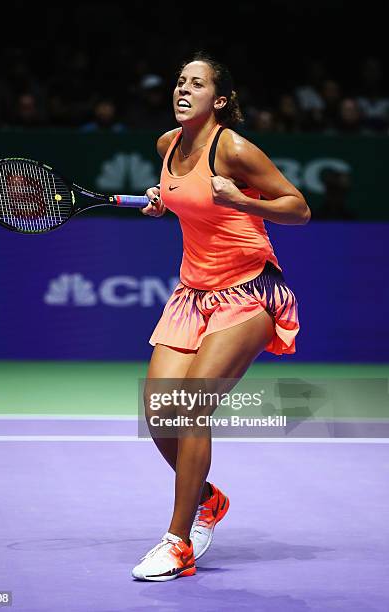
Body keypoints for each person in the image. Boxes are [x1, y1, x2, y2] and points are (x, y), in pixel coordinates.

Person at [132, 52, 310, 582]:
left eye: (198, 84)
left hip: (249, 290)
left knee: (191, 405)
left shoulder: (231, 147)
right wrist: (163, 199)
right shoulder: (167, 145)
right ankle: (208, 499)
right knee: (160, 412)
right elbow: (186, 200)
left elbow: (298, 207)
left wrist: (241, 201)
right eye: (180, 82)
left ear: (221, 99)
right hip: (192, 294)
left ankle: (178, 540)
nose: (184, 89)